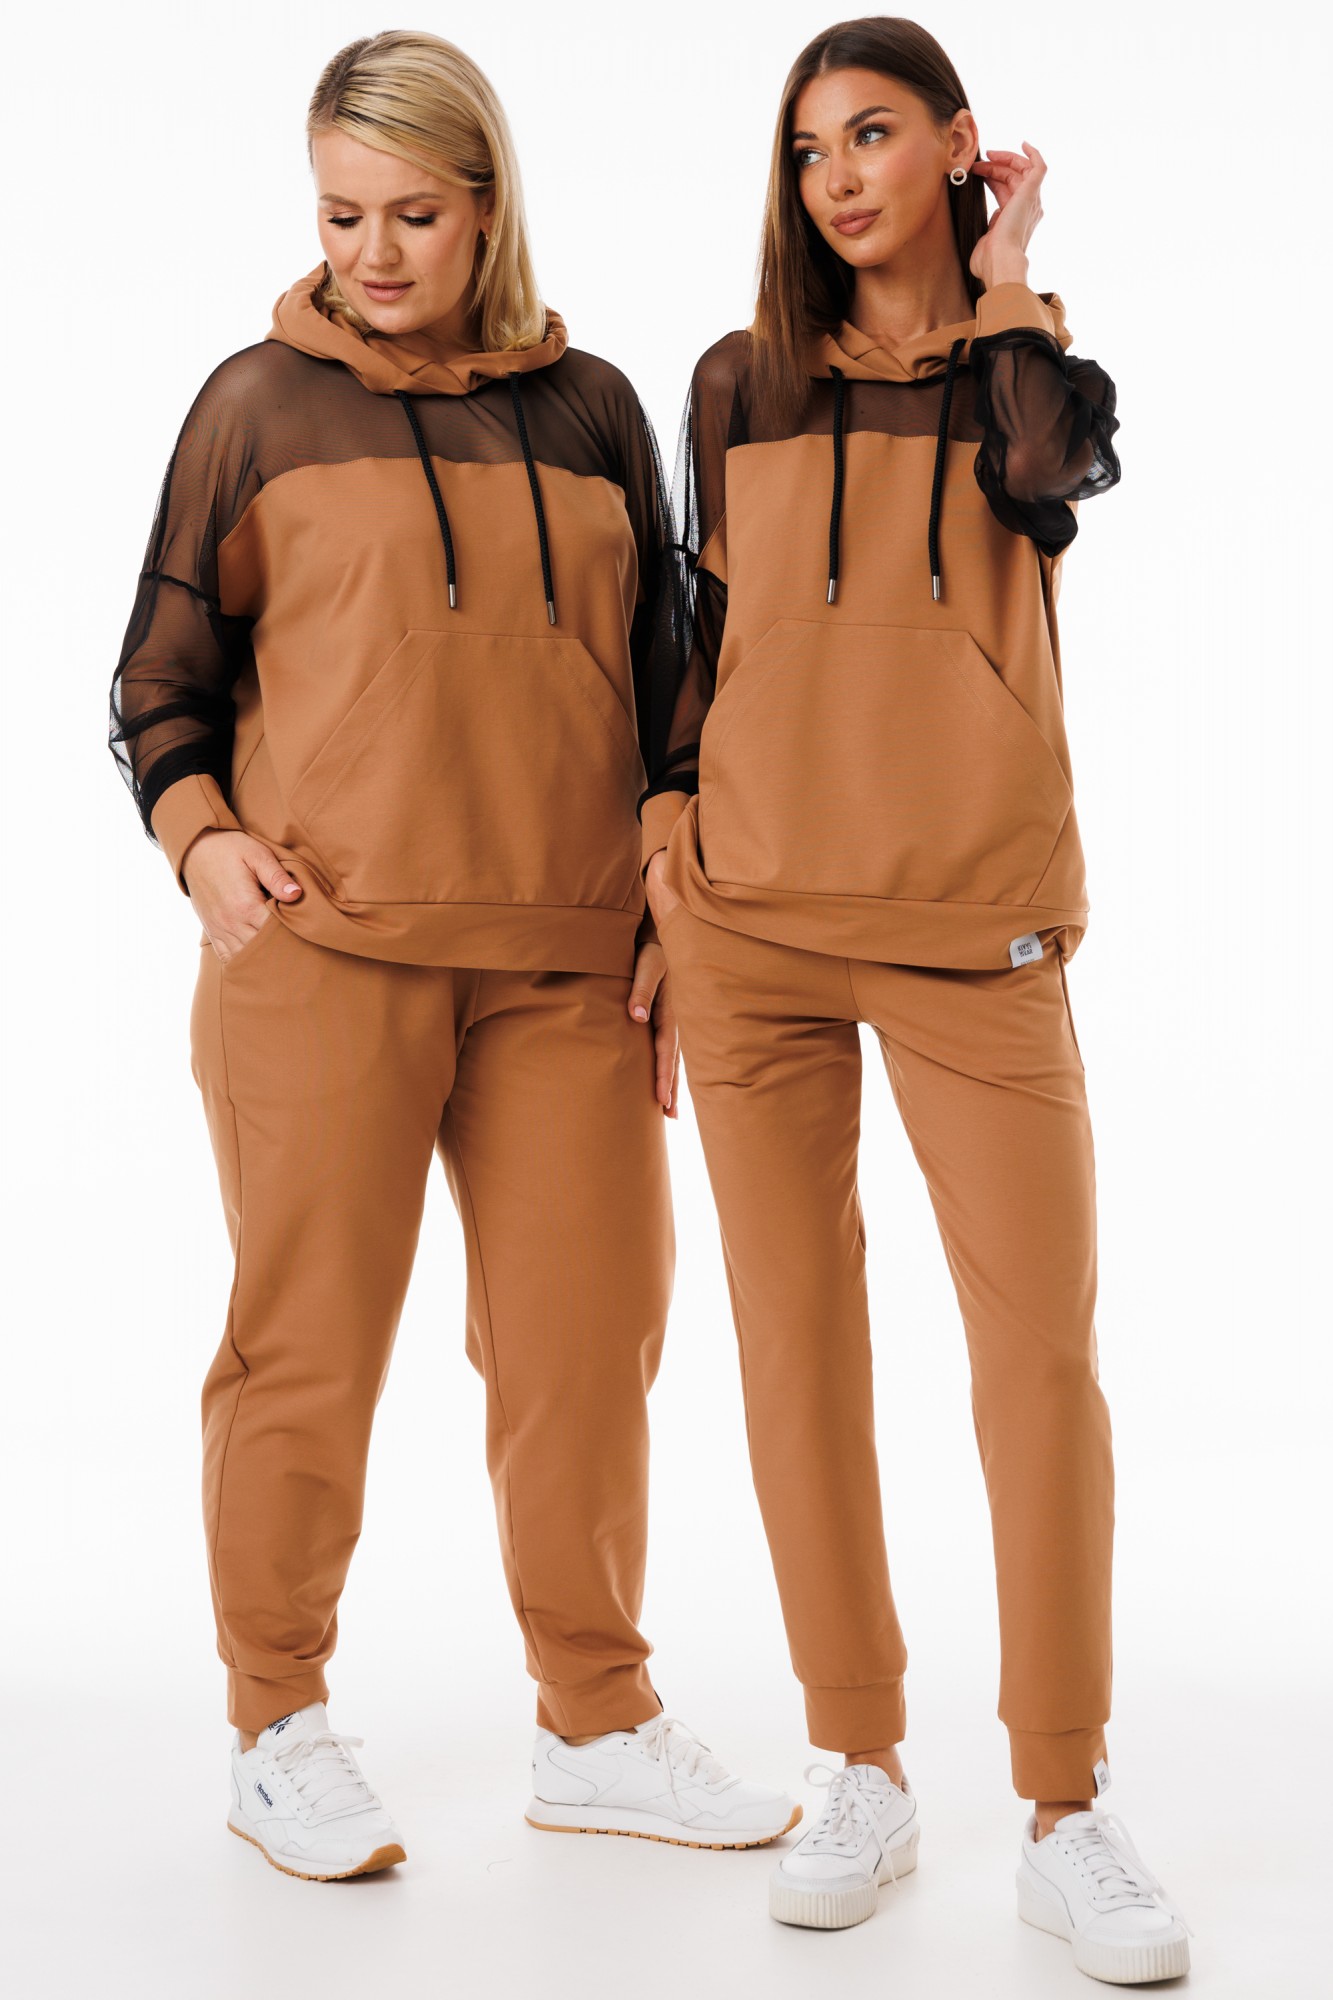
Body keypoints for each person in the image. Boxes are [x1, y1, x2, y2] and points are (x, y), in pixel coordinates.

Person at [109, 28, 795, 1883]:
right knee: (306, 1345)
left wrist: (671, 898)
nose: (373, 252)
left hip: (569, 958)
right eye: (341, 214)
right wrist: (203, 839)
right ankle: (277, 1724)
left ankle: (597, 1724)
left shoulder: (595, 409)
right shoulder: (257, 406)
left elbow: (674, 687)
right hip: (323, 950)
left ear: (487, 205)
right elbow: (157, 674)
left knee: (586, 1345)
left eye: (412, 213)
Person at [640, 16, 1190, 1981]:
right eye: (808, 151)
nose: (838, 180)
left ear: (954, 144)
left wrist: (1010, 271)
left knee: (1036, 1359)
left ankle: (1064, 1801)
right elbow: (693, 638)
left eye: (873, 135)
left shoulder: (1025, 371)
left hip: (977, 928)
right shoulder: (737, 380)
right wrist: (666, 850)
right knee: (795, 1351)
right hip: (749, 932)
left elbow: (1043, 479)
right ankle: (856, 1762)